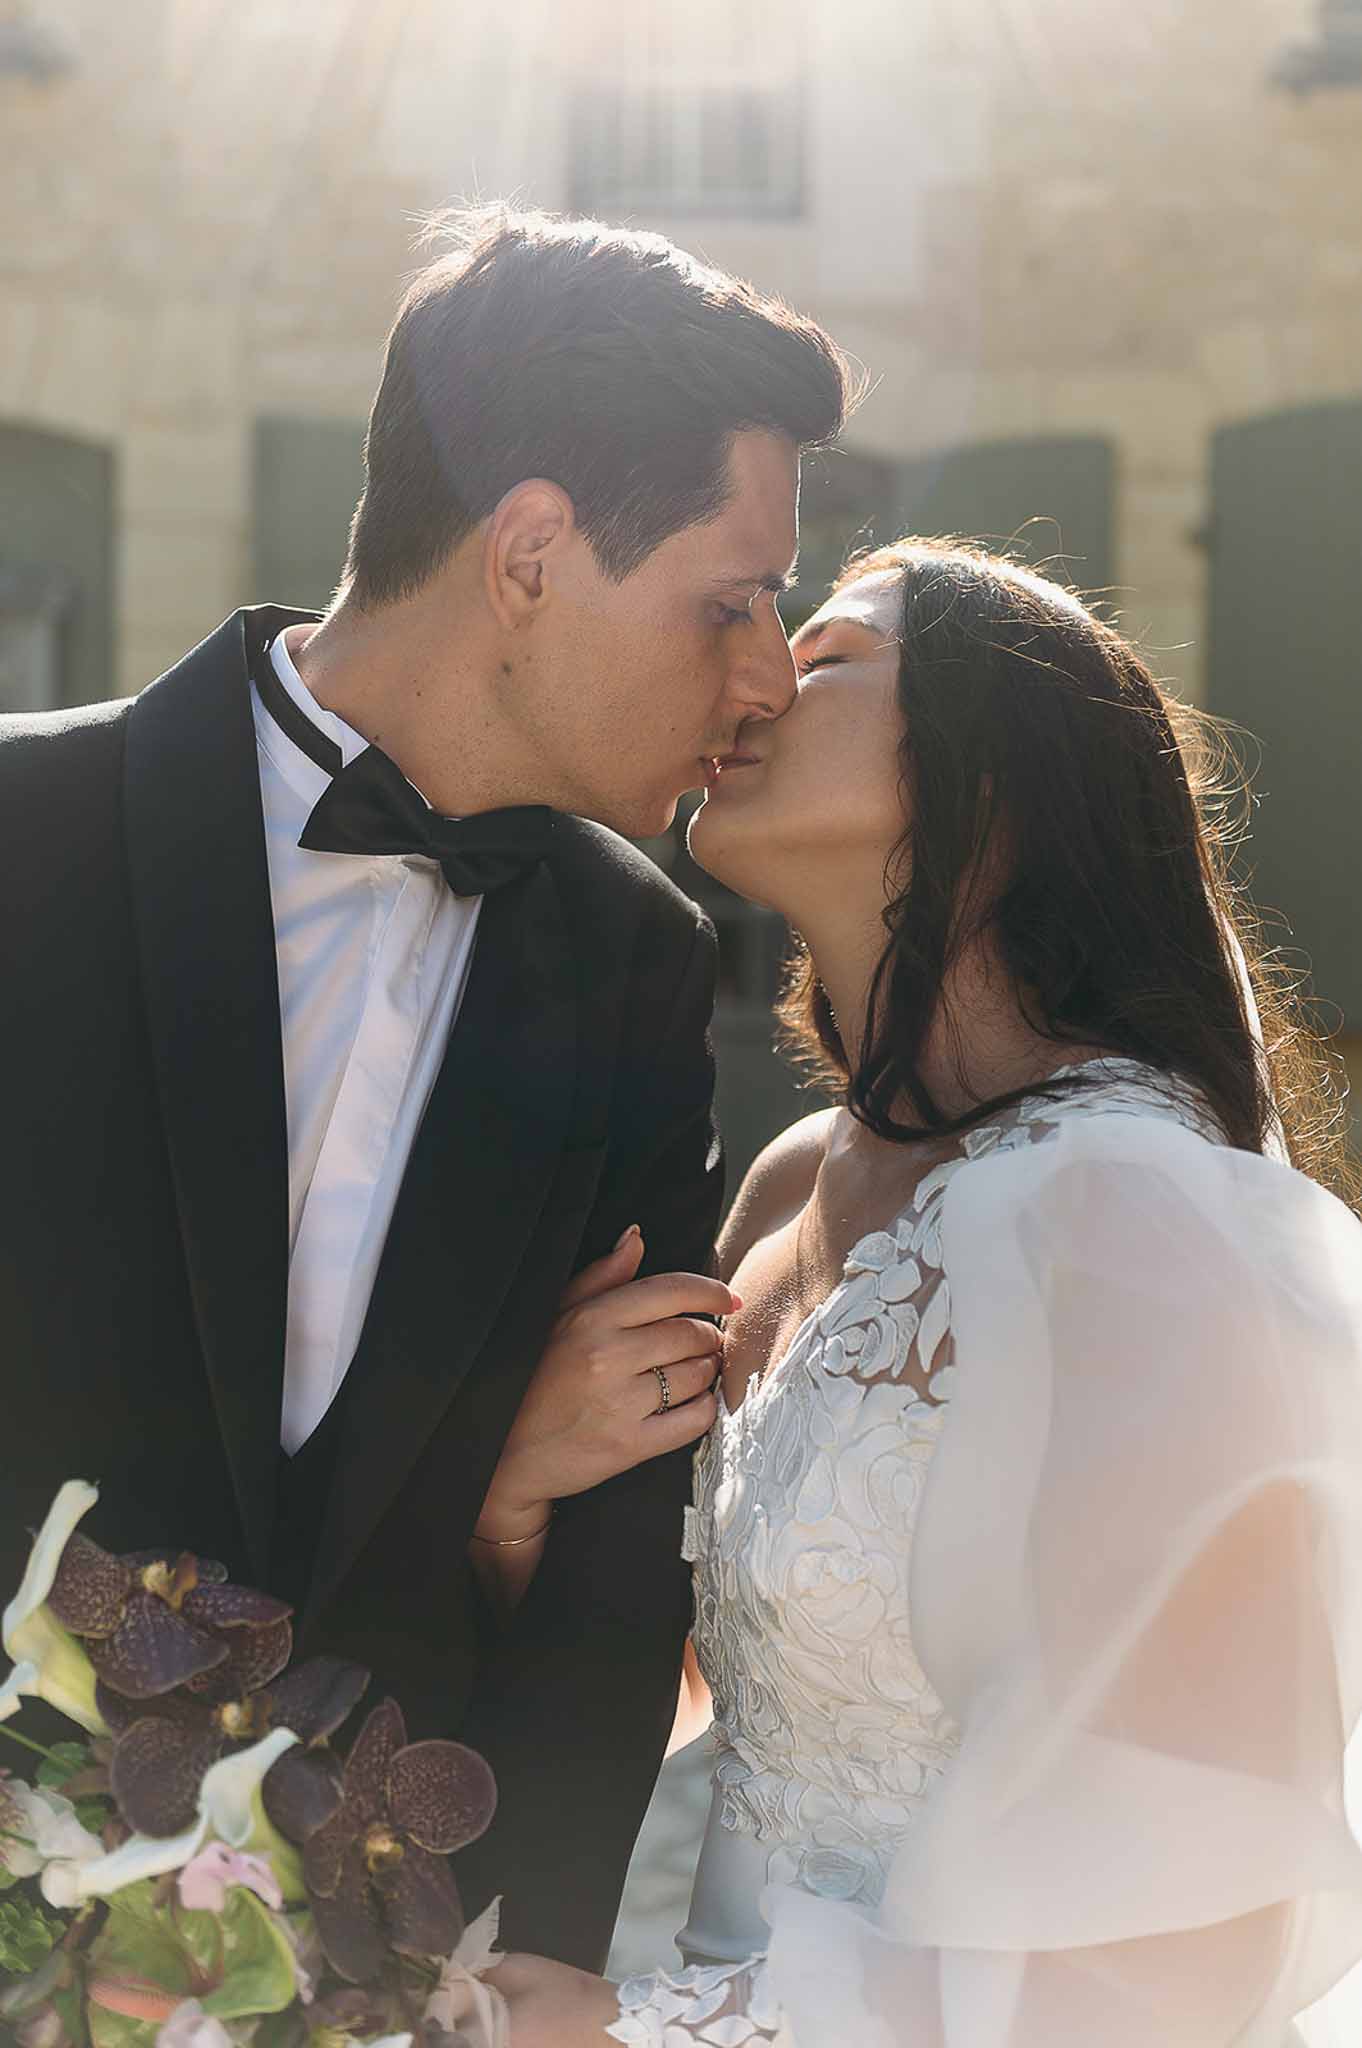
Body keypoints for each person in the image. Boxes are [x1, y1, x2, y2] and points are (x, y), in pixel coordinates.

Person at [0, 206, 851, 1969]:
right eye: (731, 601)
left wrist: (529, 1957)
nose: (768, 671)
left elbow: (617, 1539)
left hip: (374, 1953)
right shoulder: (19, 836)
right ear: (529, 551)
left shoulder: (634, 959)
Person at [489, 540, 1362, 2043]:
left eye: (823, 656)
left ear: (1001, 774)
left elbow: (1196, 1927)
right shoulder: (788, 1188)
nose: (748, 682)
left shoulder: (1136, 1221)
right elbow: (700, 1677)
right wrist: (517, 1492)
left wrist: (654, 2034)